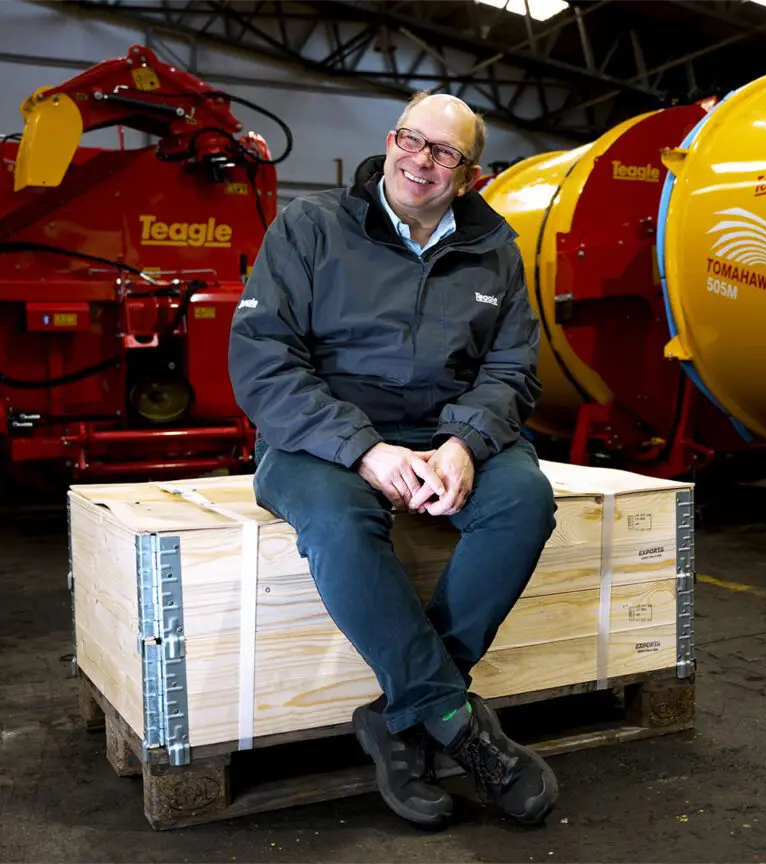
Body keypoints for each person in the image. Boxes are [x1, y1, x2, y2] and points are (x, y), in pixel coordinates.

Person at [227, 91, 559, 829]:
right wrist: (362, 449)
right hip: (319, 435)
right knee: (341, 522)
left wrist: (465, 444)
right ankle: (452, 719)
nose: (421, 161)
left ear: (469, 174)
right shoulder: (310, 229)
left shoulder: (494, 250)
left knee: (522, 501)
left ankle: (401, 722)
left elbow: (512, 372)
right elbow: (262, 360)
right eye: (413, 140)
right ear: (391, 139)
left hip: (445, 433)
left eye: (444, 153)